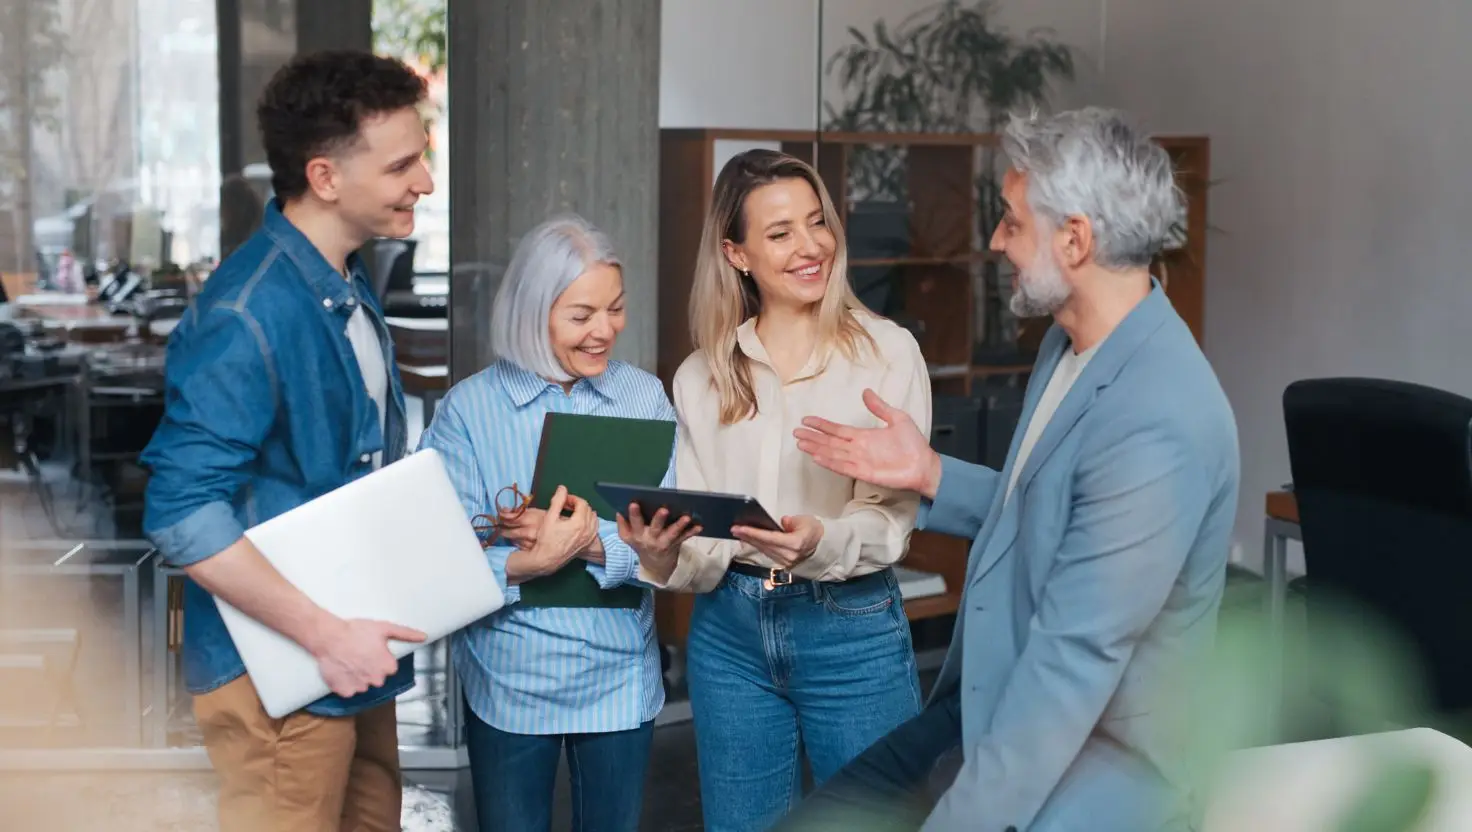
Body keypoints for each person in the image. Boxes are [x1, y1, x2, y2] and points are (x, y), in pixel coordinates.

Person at [780, 107, 1241, 832]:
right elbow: (1056, 509)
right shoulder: (1070, 344)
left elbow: (1073, 666)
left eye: (1012, 222)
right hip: (992, 702)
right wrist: (930, 472)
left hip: (1093, 757)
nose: (997, 241)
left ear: (1077, 239)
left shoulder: (1162, 415)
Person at [140, 50, 435, 831]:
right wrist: (325, 635)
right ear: (326, 177)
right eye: (403, 164)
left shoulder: (344, 282)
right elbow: (181, 512)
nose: (426, 183)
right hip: (284, 662)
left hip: (355, 652)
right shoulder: (246, 311)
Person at [625, 150, 931, 832]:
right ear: (736, 255)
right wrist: (661, 552)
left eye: (817, 223)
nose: (811, 246)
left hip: (849, 628)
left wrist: (821, 540)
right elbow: (705, 549)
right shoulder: (702, 375)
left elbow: (890, 521)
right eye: (781, 232)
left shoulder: (887, 355)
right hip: (729, 637)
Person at [418, 214, 697, 832]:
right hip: (508, 679)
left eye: (616, 309)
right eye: (581, 315)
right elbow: (435, 552)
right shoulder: (469, 409)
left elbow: (669, 543)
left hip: (620, 675)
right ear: (531, 311)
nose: (605, 331)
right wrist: (532, 561)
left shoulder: (643, 398)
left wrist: (590, 542)